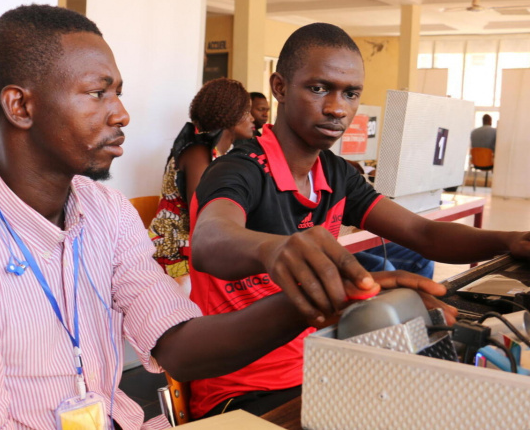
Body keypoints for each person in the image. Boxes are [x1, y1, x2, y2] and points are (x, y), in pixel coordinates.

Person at [0, 6, 436, 429]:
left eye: (118, 92)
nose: (121, 113)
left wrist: (308, 302)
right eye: (97, 92)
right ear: (21, 106)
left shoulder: (104, 211)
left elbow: (179, 346)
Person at [189, 22, 530, 419]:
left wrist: (510, 240)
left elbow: (422, 232)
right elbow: (209, 240)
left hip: (325, 361)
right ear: (280, 87)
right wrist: (273, 248)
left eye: (350, 94)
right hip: (243, 387)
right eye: (319, 89)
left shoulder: (337, 175)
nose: (338, 108)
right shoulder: (239, 171)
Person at [148, 79, 254, 285]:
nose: (252, 119)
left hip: (198, 245)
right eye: (246, 111)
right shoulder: (198, 152)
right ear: (230, 114)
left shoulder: (223, 154)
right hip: (176, 253)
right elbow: (202, 212)